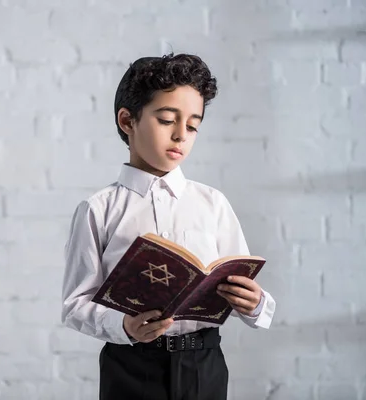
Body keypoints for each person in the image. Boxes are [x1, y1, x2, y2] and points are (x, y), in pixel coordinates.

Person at [61, 53, 276, 400]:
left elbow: (244, 289)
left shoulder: (213, 203)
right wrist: (125, 327)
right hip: (130, 366)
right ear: (128, 121)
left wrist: (255, 303)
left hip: (203, 365)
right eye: (166, 120)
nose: (181, 135)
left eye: (192, 126)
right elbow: (75, 305)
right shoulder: (98, 210)